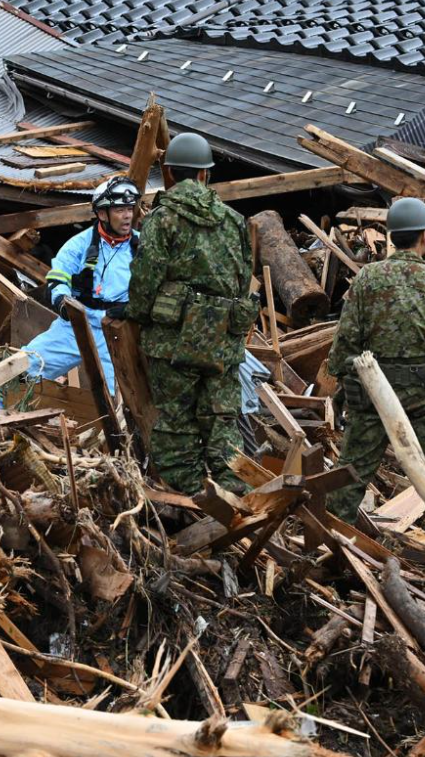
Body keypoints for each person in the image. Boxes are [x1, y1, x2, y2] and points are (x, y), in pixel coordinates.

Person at [326, 197, 425, 561]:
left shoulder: (366, 279)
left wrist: (340, 388)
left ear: (393, 237)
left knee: (351, 476)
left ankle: (329, 551)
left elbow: (346, 340)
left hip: (372, 395)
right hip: (421, 398)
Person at [125, 133, 258, 495]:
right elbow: (242, 279)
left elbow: (145, 279)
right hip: (222, 342)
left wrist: (135, 314)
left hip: (174, 344)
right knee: (222, 420)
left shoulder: (161, 220)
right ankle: (235, 496)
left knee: (176, 423)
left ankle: (189, 498)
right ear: (204, 175)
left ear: (168, 173)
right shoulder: (234, 221)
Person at [24, 176, 140, 395]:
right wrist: (62, 301)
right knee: (24, 366)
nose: (127, 216)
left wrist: (132, 310)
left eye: (130, 209)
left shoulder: (143, 247)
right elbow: (58, 277)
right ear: (103, 214)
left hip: (117, 330)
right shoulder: (79, 244)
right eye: (120, 210)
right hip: (76, 325)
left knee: (118, 396)